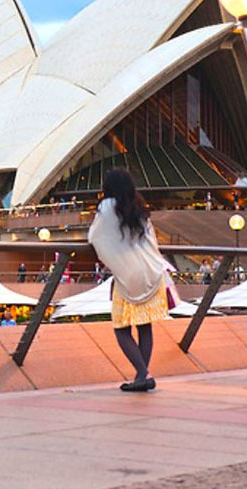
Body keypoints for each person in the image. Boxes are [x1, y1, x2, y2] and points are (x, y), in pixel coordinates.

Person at [88, 168, 168, 392]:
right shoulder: (139, 207)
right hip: (153, 271)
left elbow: (95, 237)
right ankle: (141, 376)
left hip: (128, 274)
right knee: (144, 325)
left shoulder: (107, 208)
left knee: (121, 327)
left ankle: (142, 374)